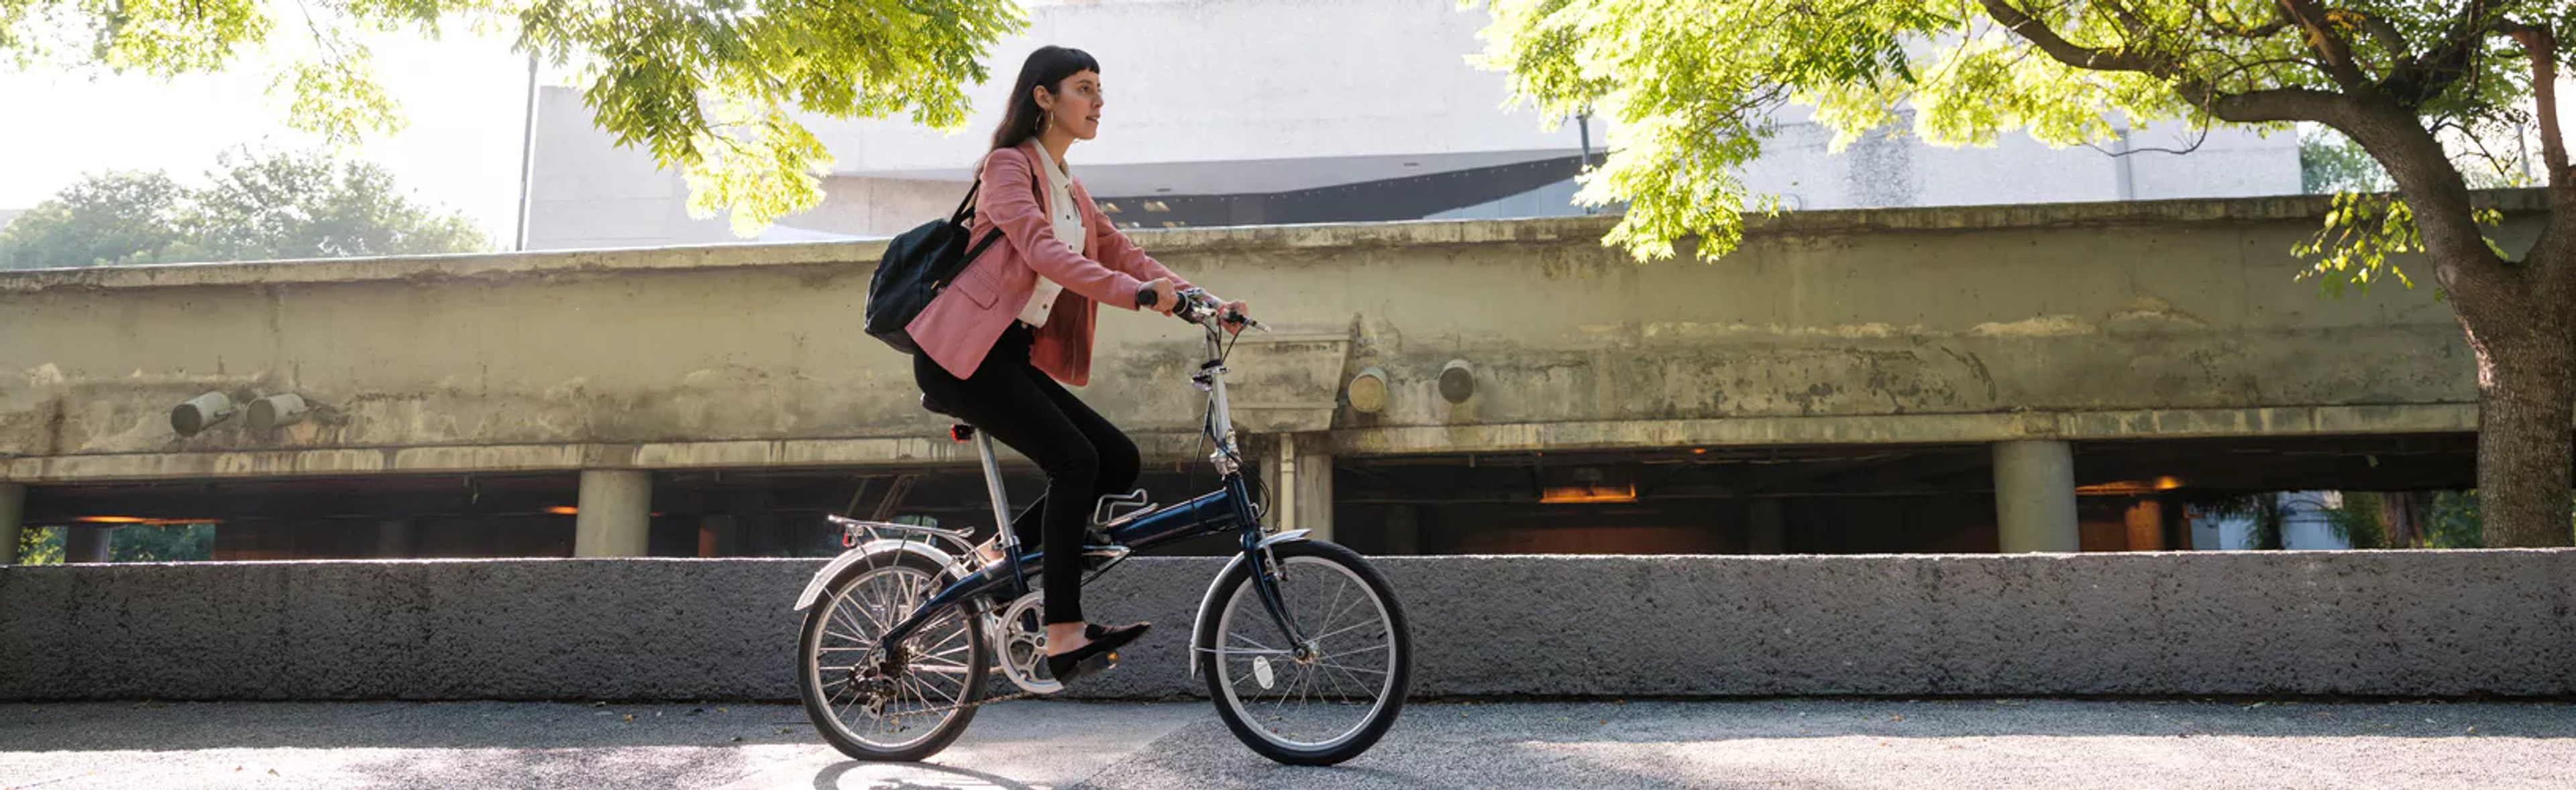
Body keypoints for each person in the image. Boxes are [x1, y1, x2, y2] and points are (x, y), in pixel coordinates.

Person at [905, 46, 1250, 685]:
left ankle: (999, 559)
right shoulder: (1008, 168)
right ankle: (1063, 630)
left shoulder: (1068, 185)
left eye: (1100, 89)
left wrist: (1206, 303)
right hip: (961, 355)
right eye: (1084, 88)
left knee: (1115, 459)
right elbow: (1042, 251)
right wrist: (1136, 296)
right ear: (1044, 97)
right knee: (1074, 461)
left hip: (1006, 355)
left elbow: (1124, 253)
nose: (1098, 101)